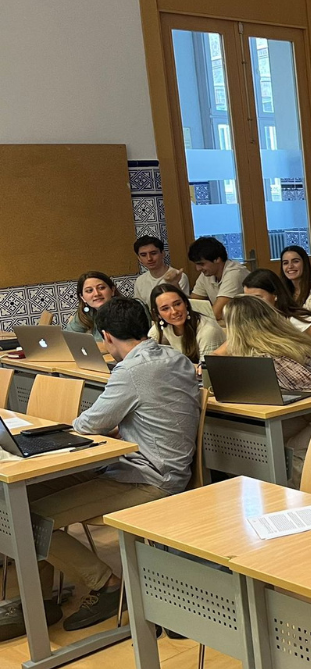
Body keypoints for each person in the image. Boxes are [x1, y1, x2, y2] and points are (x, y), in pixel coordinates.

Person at [13, 298, 199, 635]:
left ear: (107, 336)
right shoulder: (174, 357)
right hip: (148, 466)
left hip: (148, 478)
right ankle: (40, 599)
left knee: (28, 519)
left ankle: (107, 585)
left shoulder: (130, 370)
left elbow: (88, 424)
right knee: (24, 498)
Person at [222, 295, 311, 488]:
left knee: (280, 456)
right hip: (307, 413)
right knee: (244, 444)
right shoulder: (256, 352)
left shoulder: (280, 353)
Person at [241, 269, 311, 357]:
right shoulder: (248, 322)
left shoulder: (295, 319)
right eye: (247, 299)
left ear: (275, 295)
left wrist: (308, 355)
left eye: (258, 298)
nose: (252, 304)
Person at [148, 283, 224, 362]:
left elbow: (206, 368)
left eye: (177, 304)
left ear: (186, 303)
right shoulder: (163, 325)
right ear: (157, 313)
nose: (174, 311)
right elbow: (146, 356)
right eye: (165, 309)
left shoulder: (208, 330)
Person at [188, 236, 249, 322]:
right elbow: (192, 305)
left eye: (201, 264)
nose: (198, 269)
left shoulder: (235, 273)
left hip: (247, 322)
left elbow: (217, 313)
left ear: (217, 259)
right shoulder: (207, 274)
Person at [64, 271, 117, 349]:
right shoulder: (87, 313)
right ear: (82, 297)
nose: (96, 294)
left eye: (101, 288)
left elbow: (120, 346)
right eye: (89, 290)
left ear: (112, 290)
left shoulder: (126, 311)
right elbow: (68, 339)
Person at [132, 236, 188, 302]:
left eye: (153, 253)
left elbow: (183, 303)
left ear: (163, 253)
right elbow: (139, 306)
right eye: (143, 255)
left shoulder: (178, 276)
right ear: (139, 258)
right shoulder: (140, 281)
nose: (149, 258)